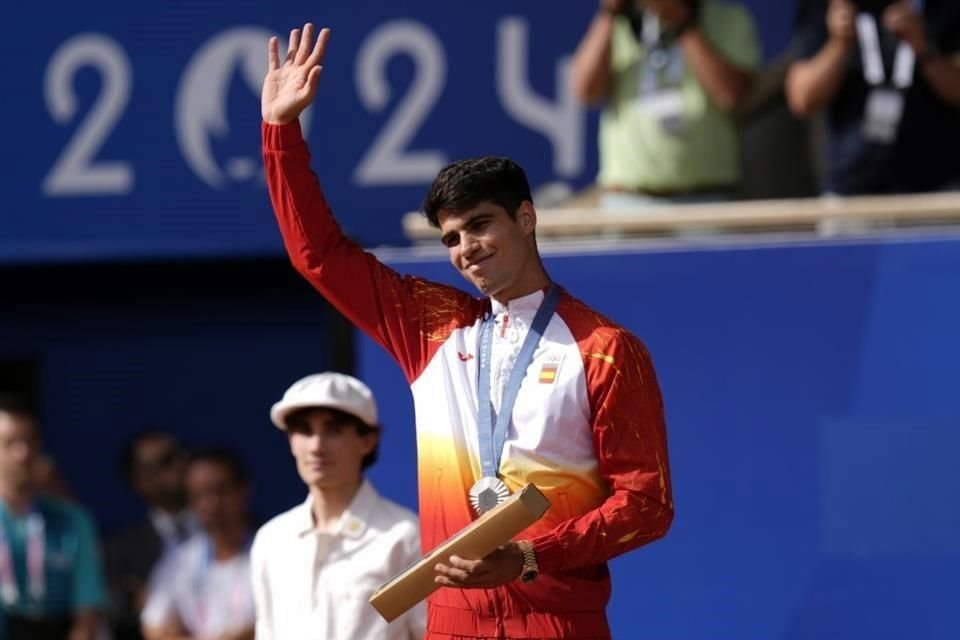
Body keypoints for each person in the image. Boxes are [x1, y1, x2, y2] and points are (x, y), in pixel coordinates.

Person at [260, 24, 673, 639]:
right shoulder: (430, 327)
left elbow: (647, 504)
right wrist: (281, 136)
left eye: (480, 226)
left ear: (526, 218)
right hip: (453, 622)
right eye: (450, 238)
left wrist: (531, 556)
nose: (465, 250)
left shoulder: (605, 349)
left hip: (556, 618)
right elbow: (318, 256)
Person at [250, 372, 425, 639]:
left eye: (333, 430)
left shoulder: (404, 535)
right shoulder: (271, 539)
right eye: (304, 431)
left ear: (367, 441)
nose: (316, 446)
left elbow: (427, 631)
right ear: (291, 442)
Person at [571, 0, 760, 208]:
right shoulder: (619, 22)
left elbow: (732, 95)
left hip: (707, 201)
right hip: (629, 201)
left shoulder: (729, 18)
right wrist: (610, 12)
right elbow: (586, 91)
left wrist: (683, 24)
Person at [786, 0, 960, 195]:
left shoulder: (945, 7)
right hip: (852, 189)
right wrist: (839, 44)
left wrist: (924, 49)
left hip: (937, 187)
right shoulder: (830, 7)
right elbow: (802, 99)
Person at [0, 394, 107, 640]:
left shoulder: (75, 520)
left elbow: (87, 613)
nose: (21, 454)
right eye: (9, 443)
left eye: (29, 442)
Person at [140, 450, 255, 640]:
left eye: (221, 491)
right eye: (200, 495)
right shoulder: (179, 558)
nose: (212, 504)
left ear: (244, 490)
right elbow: (153, 628)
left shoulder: (271, 551)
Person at [107, 431, 195, 640]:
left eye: (182, 454)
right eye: (166, 461)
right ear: (140, 481)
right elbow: (117, 616)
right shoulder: (121, 551)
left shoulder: (237, 529)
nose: (181, 464)